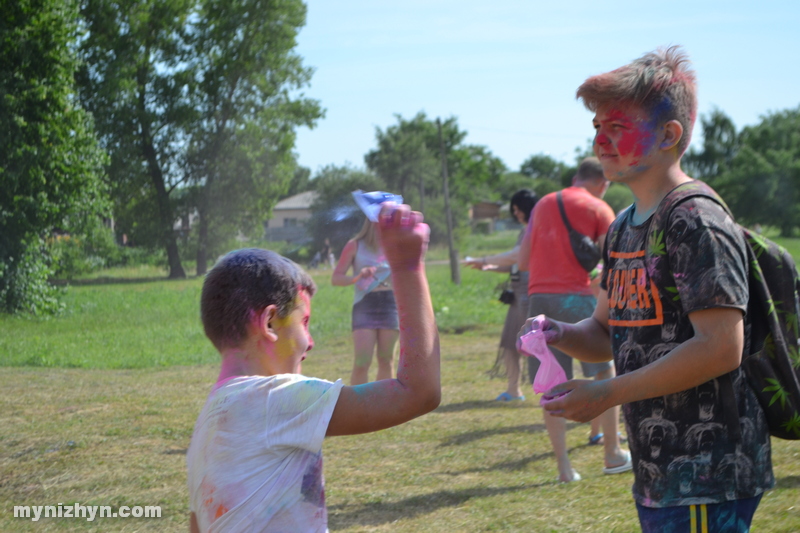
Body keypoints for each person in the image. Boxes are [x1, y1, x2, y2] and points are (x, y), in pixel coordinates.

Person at [528, 46, 773, 532]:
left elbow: (722, 348)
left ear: (669, 134)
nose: (601, 140)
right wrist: (558, 331)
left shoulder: (695, 220)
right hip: (660, 473)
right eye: (597, 128)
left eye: (616, 127)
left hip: (708, 473)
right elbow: (606, 330)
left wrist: (606, 392)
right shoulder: (622, 228)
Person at [187, 203, 439, 533]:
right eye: (304, 323)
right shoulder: (273, 400)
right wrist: (408, 267)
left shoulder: (207, 425)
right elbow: (418, 393)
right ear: (270, 323)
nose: (311, 341)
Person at [518, 156, 630, 483]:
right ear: (603, 182)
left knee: (552, 385)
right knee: (603, 371)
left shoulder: (542, 203)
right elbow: (615, 261)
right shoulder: (598, 208)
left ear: (576, 176)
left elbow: (524, 260)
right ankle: (612, 453)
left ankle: (564, 469)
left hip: (539, 298)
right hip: (580, 297)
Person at [463, 189, 538, 401]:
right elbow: (515, 262)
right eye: (514, 210)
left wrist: (485, 259)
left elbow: (516, 257)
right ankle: (514, 390)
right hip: (517, 296)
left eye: (518, 209)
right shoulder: (524, 232)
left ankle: (551, 389)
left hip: (530, 295)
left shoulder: (535, 230)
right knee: (509, 344)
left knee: (537, 345)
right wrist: (487, 267)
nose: (516, 214)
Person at [332, 218, 399, 385]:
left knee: (386, 360)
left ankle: (383, 406)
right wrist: (358, 277)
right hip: (365, 303)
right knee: (362, 361)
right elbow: (336, 278)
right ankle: (359, 406)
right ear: (372, 220)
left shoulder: (396, 243)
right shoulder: (354, 245)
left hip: (391, 303)